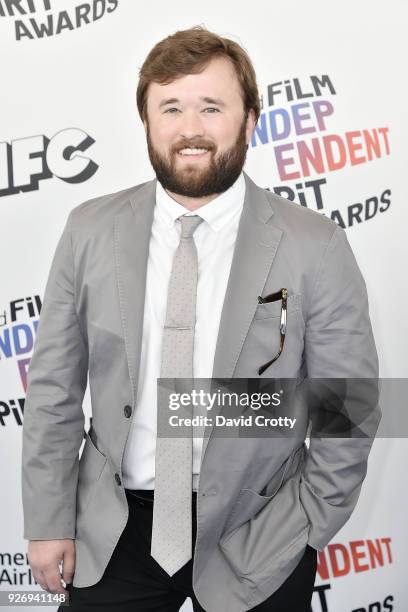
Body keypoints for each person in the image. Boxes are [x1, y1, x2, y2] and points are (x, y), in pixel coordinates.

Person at [21, 26, 381, 612]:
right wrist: (48, 520)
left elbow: (349, 405)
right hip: (115, 532)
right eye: (171, 107)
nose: (191, 129)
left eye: (212, 107)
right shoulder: (88, 230)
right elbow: (55, 391)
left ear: (250, 119)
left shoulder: (315, 244)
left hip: (259, 527)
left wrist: (307, 521)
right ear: (146, 121)